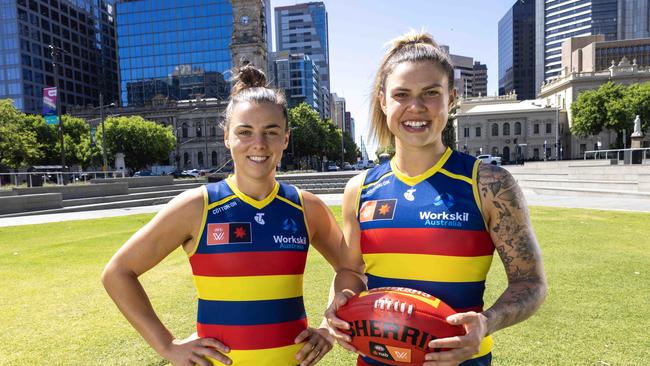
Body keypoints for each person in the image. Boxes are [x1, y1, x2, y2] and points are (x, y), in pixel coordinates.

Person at [325, 31, 547, 366]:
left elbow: (530, 282)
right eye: (402, 94)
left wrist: (486, 322)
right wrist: (343, 300)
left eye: (430, 93)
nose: (416, 107)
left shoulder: (488, 184)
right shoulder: (359, 189)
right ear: (384, 101)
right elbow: (350, 270)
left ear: (451, 98)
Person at [102, 65, 349, 366]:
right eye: (245, 132)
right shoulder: (197, 206)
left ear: (286, 139)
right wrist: (167, 345)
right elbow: (118, 273)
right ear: (226, 137)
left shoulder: (306, 207)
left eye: (271, 132)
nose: (258, 144)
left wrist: (328, 328)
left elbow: (350, 268)